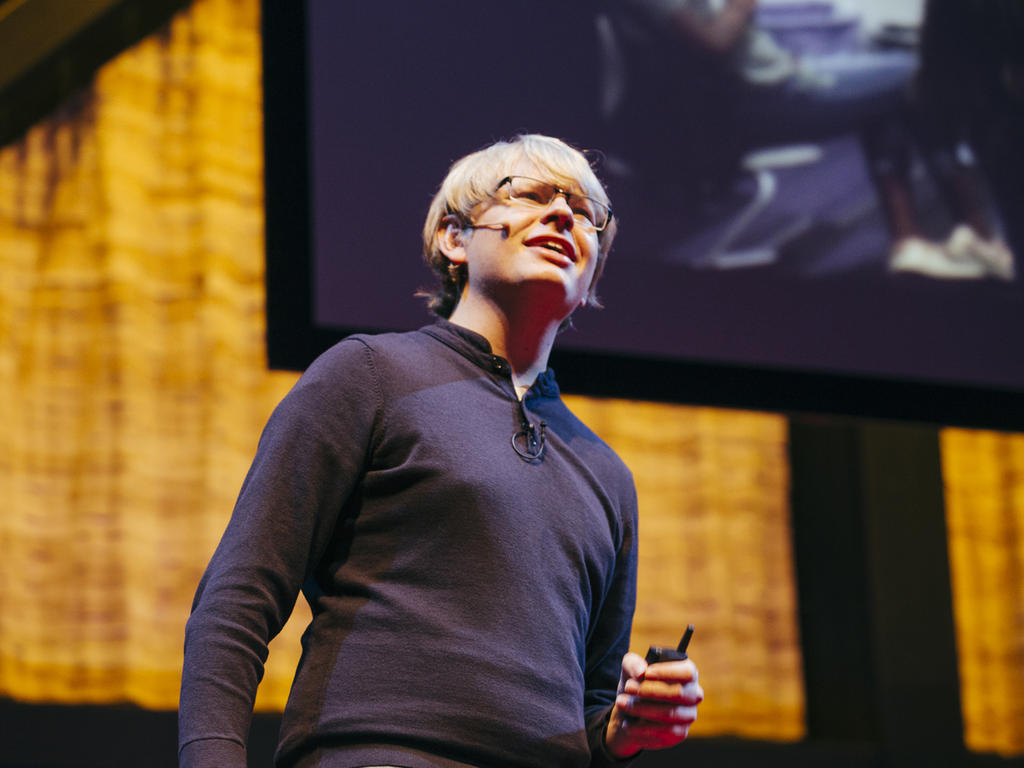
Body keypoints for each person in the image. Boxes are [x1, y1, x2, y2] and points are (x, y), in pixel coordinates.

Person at [178, 134, 704, 768]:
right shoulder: (369, 376)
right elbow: (237, 601)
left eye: (586, 213)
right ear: (455, 239)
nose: (564, 215)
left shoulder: (607, 477)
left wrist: (625, 729)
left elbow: (592, 708)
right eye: (530, 195)